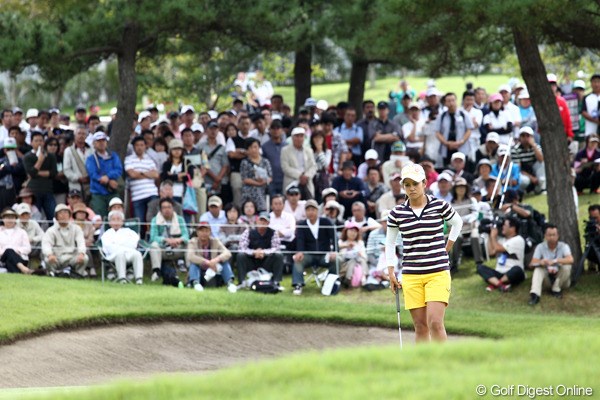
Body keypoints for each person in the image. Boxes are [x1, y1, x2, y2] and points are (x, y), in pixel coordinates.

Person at [386, 163, 463, 342]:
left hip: (437, 273)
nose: (411, 188)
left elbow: (457, 223)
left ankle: (445, 366)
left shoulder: (439, 206)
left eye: (415, 183)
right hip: (411, 275)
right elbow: (390, 243)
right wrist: (390, 271)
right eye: (407, 184)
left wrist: (447, 247)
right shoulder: (397, 213)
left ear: (424, 183)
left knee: (435, 322)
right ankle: (424, 366)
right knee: (420, 327)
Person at [292, 200, 338, 295]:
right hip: (309, 255)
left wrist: (334, 251)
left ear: (317, 211)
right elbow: (300, 240)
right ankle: (298, 284)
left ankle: (330, 282)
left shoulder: (326, 222)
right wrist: (300, 252)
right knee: (298, 260)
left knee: (336, 260)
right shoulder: (301, 224)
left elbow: (334, 237)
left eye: (313, 209)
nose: (310, 212)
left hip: (324, 255)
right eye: (308, 210)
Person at [477, 216, 526, 292]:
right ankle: (501, 285)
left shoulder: (518, 239)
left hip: (512, 273)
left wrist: (493, 236)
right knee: (480, 267)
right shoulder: (501, 239)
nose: (502, 227)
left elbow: (498, 249)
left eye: (504, 225)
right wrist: (490, 235)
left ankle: (494, 283)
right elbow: (491, 252)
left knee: (517, 269)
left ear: (512, 228)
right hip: (499, 272)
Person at [528, 224, 574, 305]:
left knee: (567, 266)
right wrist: (541, 262)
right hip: (547, 279)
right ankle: (535, 295)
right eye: (549, 235)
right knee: (538, 269)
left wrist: (556, 261)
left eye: (554, 235)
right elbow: (532, 263)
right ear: (545, 236)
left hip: (561, 280)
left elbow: (570, 259)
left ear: (558, 236)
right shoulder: (540, 247)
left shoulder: (563, 246)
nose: (552, 237)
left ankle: (556, 289)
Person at [236, 212, 284, 289]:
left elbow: (276, 248)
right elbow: (242, 247)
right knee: (240, 255)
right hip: (251, 261)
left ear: (268, 223)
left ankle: (276, 282)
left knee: (279, 255)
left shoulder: (273, 233)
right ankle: (242, 282)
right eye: (261, 220)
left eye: (265, 221)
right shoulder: (248, 231)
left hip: (266, 261)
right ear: (257, 221)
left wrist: (263, 252)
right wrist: (254, 252)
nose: (262, 222)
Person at [186, 221, 237, 293]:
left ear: (210, 232)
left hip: (213, 270)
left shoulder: (215, 241)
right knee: (193, 264)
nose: (204, 233)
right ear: (197, 232)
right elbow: (190, 256)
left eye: (206, 231)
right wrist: (206, 262)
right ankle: (196, 283)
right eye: (201, 231)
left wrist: (216, 260)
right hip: (200, 269)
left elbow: (227, 253)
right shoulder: (193, 241)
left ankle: (230, 283)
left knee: (224, 262)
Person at [149, 198, 190, 284]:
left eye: (169, 207)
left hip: (177, 248)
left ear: (173, 208)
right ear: (160, 210)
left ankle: (190, 270)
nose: (167, 209)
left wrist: (179, 240)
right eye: (164, 207)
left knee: (189, 244)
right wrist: (165, 240)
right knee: (154, 245)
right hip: (163, 249)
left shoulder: (180, 219)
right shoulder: (155, 220)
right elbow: (153, 237)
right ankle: (156, 271)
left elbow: (186, 236)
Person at [42, 204, 89, 277]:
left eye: (66, 213)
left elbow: (81, 242)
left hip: (72, 257)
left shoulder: (76, 228)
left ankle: (77, 275)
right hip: (57, 258)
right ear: (56, 217)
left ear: (69, 216)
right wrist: (49, 254)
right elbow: (46, 244)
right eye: (60, 213)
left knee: (85, 258)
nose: (63, 215)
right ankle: (55, 274)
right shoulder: (51, 230)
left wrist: (81, 253)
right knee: (47, 260)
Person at [101, 210, 144, 284]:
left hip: (129, 253)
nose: (116, 222)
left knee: (137, 254)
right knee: (120, 254)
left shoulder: (129, 231)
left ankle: (139, 279)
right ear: (109, 222)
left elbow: (134, 243)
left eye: (118, 219)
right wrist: (123, 245)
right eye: (113, 219)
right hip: (114, 255)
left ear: (122, 221)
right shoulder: (107, 234)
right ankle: (122, 279)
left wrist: (118, 244)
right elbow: (108, 246)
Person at [86, 132, 123, 217]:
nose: (101, 143)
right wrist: (105, 180)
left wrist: (107, 177)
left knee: (116, 215)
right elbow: (92, 174)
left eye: (103, 140)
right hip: (98, 192)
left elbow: (118, 169)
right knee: (100, 216)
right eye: (98, 141)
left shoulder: (113, 156)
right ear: (94, 144)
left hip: (113, 191)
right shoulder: (91, 159)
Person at [23, 131, 57, 222]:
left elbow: (53, 173)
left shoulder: (51, 156)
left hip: (48, 191)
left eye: (41, 140)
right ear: (31, 142)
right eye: (36, 140)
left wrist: (37, 171)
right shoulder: (27, 157)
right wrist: (40, 160)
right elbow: (31, 173)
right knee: (35, 219)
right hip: (33, 192)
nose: (39, 143)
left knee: (53, 217)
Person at [125, 136, 159, 225]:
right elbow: (132, 174)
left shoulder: (149, 159)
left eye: (142, 145)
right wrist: (147, 174)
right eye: (137, 145)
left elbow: (156, 175)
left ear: (145, 146)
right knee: (139, 221)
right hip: (137, 195)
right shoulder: (129, 159)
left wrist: (139, 173)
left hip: (152, 193)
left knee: (153, 220)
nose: (139, 147)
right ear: (134, 147)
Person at [435, 92, 474, 166]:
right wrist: (446, 143)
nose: (451, 103)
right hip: (447, 148)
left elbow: (469, 129)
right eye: (448, 101)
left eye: (453, 100)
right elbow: (437, 132)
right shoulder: (442, 116)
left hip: (461, 147)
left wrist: (461, 142)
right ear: (445, 103)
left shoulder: (464, 114)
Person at [280, 127, 317, 200]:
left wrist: (306, 176)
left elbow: (313, 166)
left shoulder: (309, 150)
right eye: (297, 136)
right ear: (292, 138)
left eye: (301, 136)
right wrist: (300, 176)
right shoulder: (285, 150)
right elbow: (285, 167)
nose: (299, 138)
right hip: (292, 182)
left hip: (307, 183)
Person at [240, 138, 272, 212]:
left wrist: (264, 181)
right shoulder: (244, 162)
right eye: (250, 147)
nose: (253, 150)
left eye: (255, 147)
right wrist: (257, 183)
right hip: (249, 191)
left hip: (262, 191)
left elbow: (270, 176)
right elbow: (245, 179)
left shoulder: (265, 161)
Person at [511, 126, 545, 193]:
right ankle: (522, 191)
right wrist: (531, 177)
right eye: (523, 136)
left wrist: (534, 146)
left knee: (542, 164)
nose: (525, 138)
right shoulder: (515, 149)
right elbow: (518, 169)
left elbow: (541, 159)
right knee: (524, 180)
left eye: (528, 136)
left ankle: (541, 188)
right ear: (520, 137)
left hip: (534, 170)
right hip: (523, 172)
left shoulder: (536, 147)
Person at [0, 208, 33, 274]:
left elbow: (28, 248)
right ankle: (23, 269)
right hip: (2, 258)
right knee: (8, 251)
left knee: (9, 257)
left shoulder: (22, 232)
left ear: (15, 219)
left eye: (12, 217)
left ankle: (18, 271)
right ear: (3, 219)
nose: (10, 219)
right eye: (7, 217)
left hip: (20, 257)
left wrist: (17, 251)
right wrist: (6, 252)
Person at [63, 125, 93, 196]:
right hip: (76, 186)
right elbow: (66, 169)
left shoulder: (92, 150)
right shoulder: (68, 151)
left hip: (90, 184)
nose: (81, 136)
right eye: (79, 133)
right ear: (75, 135)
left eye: (83, 134)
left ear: (86, 136)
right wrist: (78, 178)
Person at [337, 221, 368, 287]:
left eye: (355, 231)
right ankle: (348, 278)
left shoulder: (360, 243)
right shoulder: (341, 242)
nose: (353, 233)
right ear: (346, 231)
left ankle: (363, 276)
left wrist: (359, 252)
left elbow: (365, 257)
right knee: (352, 261)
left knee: (359, 260)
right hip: (344, 265)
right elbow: (339, 253)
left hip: (358, 263)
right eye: (351, 230)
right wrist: (346, 246)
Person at [261, 119, 286, 196]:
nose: (276, 131)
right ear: (270, 130)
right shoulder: (265, 146)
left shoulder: (287, 146)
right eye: (273, 128)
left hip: (285, 179)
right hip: (271, 180)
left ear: (282, 130)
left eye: (278, 128)